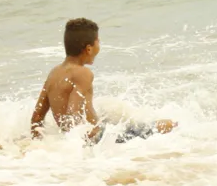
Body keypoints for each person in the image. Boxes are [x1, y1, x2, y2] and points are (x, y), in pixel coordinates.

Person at [30, 18, 176, 144]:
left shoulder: (54, 73)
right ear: (88, 49)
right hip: (93, 138)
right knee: (169, 125)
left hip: (77, 139)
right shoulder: (83, 73)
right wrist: (90, 136)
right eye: (98, 41)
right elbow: (73, 113)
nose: (99, 45)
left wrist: (38, 144)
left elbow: (37, 117)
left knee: (115, 119)